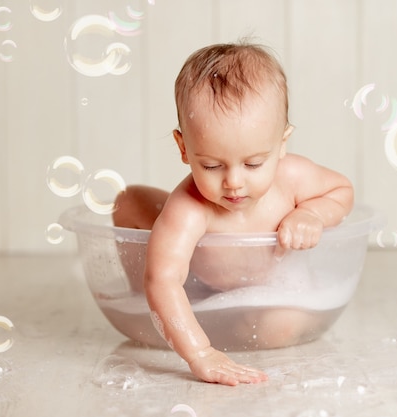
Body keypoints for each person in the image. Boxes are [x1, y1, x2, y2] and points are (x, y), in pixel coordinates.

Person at [112, 41, 354, 386]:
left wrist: (313, 214)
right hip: (197, 272)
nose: (234, 183)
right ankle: (147, 300)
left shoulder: (292, 178)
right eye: (211, 165)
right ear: (184, 148)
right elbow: (163, 279)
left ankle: (244, 317)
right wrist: (200, 352)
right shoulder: (190, 206)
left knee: (282, 326)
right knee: (127, 200)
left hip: (270, 284)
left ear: (282, 143)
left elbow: (342, 191)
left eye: (254, 163)